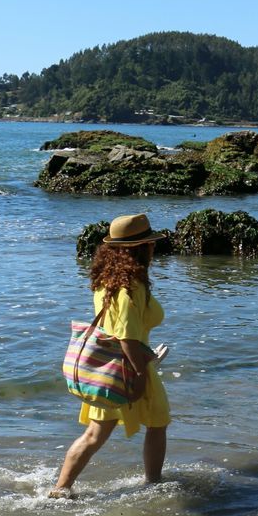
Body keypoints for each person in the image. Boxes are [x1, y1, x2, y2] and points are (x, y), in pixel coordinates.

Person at [50, 213, 171, 497]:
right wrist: (141, 376)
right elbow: (128, 339)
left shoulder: (106, 281)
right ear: (141, 248)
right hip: (129, 367)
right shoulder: (132, 286)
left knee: (94, 434)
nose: (154, 249)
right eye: (151, 244)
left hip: (109, 368)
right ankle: (153, 483)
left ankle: (60, 490)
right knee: (158, 422)